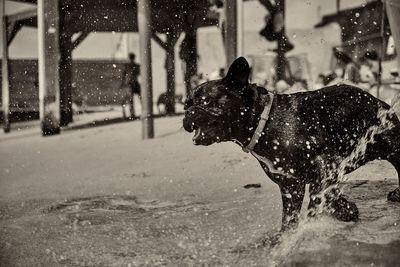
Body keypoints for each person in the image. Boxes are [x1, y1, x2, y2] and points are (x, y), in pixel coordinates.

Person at [121, 53, 141, 119]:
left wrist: (122, 84)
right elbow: (138, 74)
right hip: (135, 83)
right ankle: (143, 112)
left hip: (129, 84)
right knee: (141, 98)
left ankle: (130, 114)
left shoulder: (127, 66)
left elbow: (123, 76)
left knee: (129, 100)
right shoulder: (137, 65)